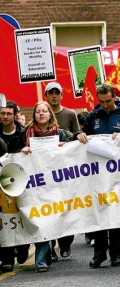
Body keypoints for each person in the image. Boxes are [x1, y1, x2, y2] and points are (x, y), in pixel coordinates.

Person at [74, 84, 120, 269]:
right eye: (102, 102)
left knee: (115, 212)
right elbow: (79, 133)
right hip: (97, 173)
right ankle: (99, 255)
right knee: (99, 212)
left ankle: (116, 254)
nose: (105, 105)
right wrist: (80, 135)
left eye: (108, 101)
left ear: (114, 97)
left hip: (117, 173)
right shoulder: (94, 116)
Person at [21, 101, 68, 272]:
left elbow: (73, 153)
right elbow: (15, 154)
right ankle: (41, 261)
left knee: (56, 220)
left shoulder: (61, 134)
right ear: (34, 115)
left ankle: (59, 245)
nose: (41, 114)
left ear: (50, 114)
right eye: (38, 112)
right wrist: (23, 150)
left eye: (44, 111)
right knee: (42, 221)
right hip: (36, 185)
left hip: (56, 184)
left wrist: (65, 147)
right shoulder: (26, 133)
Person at [45, 81, 79, 261]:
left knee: (66, 208)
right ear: (46, 96)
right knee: (49, 209)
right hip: (48, 170)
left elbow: (76, 138)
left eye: (57, 92)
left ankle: (65, 242)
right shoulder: (41, 114)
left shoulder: (70, 114)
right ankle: (50, 248)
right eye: (51, 93)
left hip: (66, 169)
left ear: (61, 95)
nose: (54, 96)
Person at [0, 100, 29, 273]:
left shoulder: (23, 133)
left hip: (19, 180)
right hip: (1, 184)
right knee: (5, 221)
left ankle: (23, 247)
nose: (5, 116)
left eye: (9, 113)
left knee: (21, 218)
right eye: (2, 113)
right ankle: (7, 258)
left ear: (14, 115)